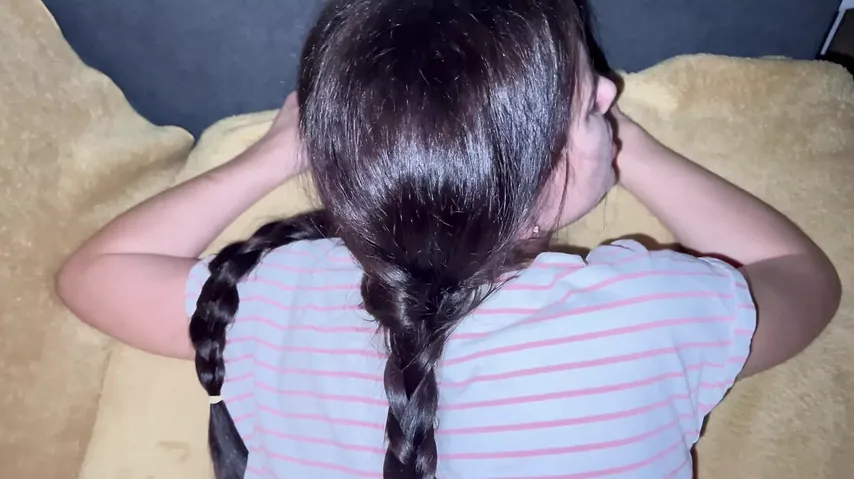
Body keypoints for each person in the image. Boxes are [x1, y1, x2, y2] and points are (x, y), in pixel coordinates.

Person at [55, 0, 841, 478]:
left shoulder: (275, 297)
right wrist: (634, 149)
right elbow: (804, 278)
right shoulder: (651, 313)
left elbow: (94, 274)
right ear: (533, 193)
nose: (611, 89)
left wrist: (274, 155)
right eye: (587, 104)